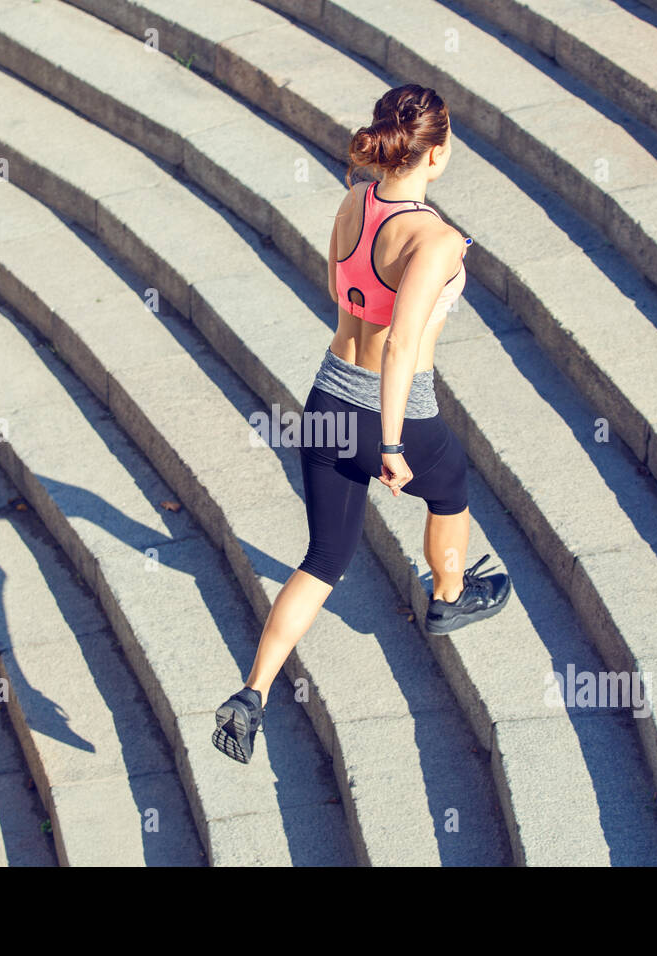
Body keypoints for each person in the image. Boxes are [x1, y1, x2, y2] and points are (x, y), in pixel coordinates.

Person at [212, 83, 510, 764]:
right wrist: (396, 443)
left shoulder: (355, 201)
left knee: (324, 558)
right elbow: (403, 347)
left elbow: (342, 289)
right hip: (385, 408)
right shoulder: (436, 240)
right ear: (434, 153)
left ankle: (252, 693)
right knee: (452, 485)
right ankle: (452, 595)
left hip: (325, 398)